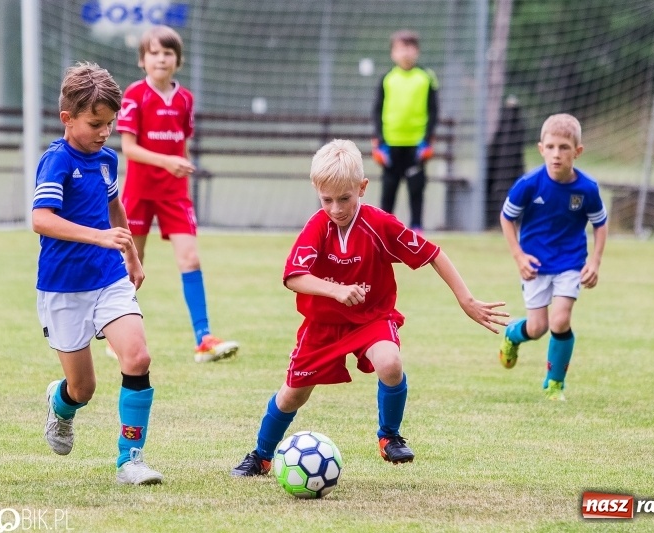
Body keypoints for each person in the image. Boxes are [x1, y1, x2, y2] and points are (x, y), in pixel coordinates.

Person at [230, 139, 508, 477]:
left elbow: (433, 254)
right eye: (327, 199)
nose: (335, 208)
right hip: (323, 326)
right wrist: (336, 290)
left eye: (344, 198)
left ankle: (389, 437)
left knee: (390, 363)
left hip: (372, 318)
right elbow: (294, 277)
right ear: (317, 191)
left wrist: (466, 299)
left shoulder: (380, 224)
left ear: (362, 187)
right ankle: (260, 456)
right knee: (292, 396)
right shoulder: (317, 226)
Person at [32, 62, 162, 485]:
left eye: (110, 123)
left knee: (138, 357)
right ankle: (61, 402)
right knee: (82, 389)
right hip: (63, 287)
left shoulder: (106, 159)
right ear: (67, 119)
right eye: (96, 124)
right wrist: (99, 236)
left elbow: (113, 204)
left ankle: (130, 459)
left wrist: (130, 254)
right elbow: (41, 219)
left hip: (108, 276)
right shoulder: (56, 161)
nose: (105, 132)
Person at [115, 24, 238, 363]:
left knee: (191, 259)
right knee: (131, 265)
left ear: (177, 61)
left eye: (167, 53)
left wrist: (178, 164)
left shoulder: (185, 99)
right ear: (143, 60)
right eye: (154, 53)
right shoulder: (134, 96)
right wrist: (168, 160)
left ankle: (204, 338)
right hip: (139, 192)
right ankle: (115, 334)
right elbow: (129, 148)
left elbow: (181, 144)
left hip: (175, 195)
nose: (161, 58)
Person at [498, 113, 608, 401]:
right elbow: (507, 218)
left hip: (570, 263)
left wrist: (594, 262)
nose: (556, 154)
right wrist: (518, 256)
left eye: (564, 147)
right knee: (537, 328)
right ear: (541, 148)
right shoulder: (529, 184)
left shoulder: (586, 189)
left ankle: (554, 383)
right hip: (534, 265)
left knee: (560, 321)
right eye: (550, 147)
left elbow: (600, 223)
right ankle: (513, 335)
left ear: (577, 151)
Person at [371, 29, 439, 235]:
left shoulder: (426, 77)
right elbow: (376, 110)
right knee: (389, 189)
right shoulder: (387, 79)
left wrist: (427, 141)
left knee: (416, 188)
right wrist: (378, 141)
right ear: (393, 53)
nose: (405, 53)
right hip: (390, 144)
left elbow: (434, 110)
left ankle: (416, 228)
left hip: (416, 145)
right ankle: (383, 230)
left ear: (417, 51)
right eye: (401, 49)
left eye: (410, 48)